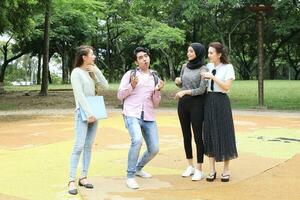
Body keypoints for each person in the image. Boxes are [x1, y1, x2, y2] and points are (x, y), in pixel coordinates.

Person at [117, 47, 165, 189]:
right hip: (131, 114)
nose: (144, 59)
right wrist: (131, 86)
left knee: (154, 148)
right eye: (140, 57)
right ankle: (130, 176)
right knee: (137, 140)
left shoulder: (155, 77)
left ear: (149, 58)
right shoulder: (130, 75)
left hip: (149, 116)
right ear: (136, 62)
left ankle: (138, 168)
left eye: (146, 56)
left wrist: (157, 91)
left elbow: (156, 104)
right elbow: (120, 96)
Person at [68, 45, 109, 195]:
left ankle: (83, 176)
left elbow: (105, 85)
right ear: (84, 57)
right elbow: (79, 95)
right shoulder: (76, 73)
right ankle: (71, 180)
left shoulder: (91, 72)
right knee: (78, 146)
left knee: (88, 146)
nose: (94, 57)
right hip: (83, 113)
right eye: (92, 54)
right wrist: (89, 113)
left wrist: (96, 71)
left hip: (95, 113)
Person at [201, 42, 238, 182]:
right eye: (208, 52)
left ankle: (226, 169)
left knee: (224, 131)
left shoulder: (228, 67)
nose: (209, 55)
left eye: (211, 53)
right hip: (209, 100)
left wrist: (212, 77)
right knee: (209, 132)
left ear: (219, 54)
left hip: (221, 101)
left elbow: (226, 87)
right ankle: (211, 170)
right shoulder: (208, 66)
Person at [174, 42, 208, 181]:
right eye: (188, 51)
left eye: (192, 52)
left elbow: (202, 89)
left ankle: (199, 169)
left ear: (198, 53)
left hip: (197, 104)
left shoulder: (203, 68)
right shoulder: (184, 66)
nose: (189, 54)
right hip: (183, 104)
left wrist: (185, 92)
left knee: (198, 137)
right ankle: (190, 165)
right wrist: (178, 82)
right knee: (186, 136)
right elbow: (182, 82)